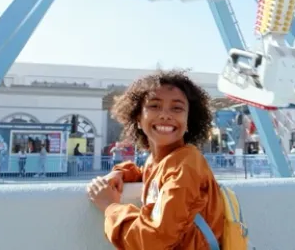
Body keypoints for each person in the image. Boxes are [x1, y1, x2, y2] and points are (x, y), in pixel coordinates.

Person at [87, 70, 224, 249]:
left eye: (177, 108)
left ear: (188, 120)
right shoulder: (163, 160)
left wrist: (109, 206)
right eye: (154, 106)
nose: (165, 115)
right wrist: (121, 173)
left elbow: (155, 239)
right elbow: (149, 173)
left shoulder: (186, 164)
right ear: (138, 117)